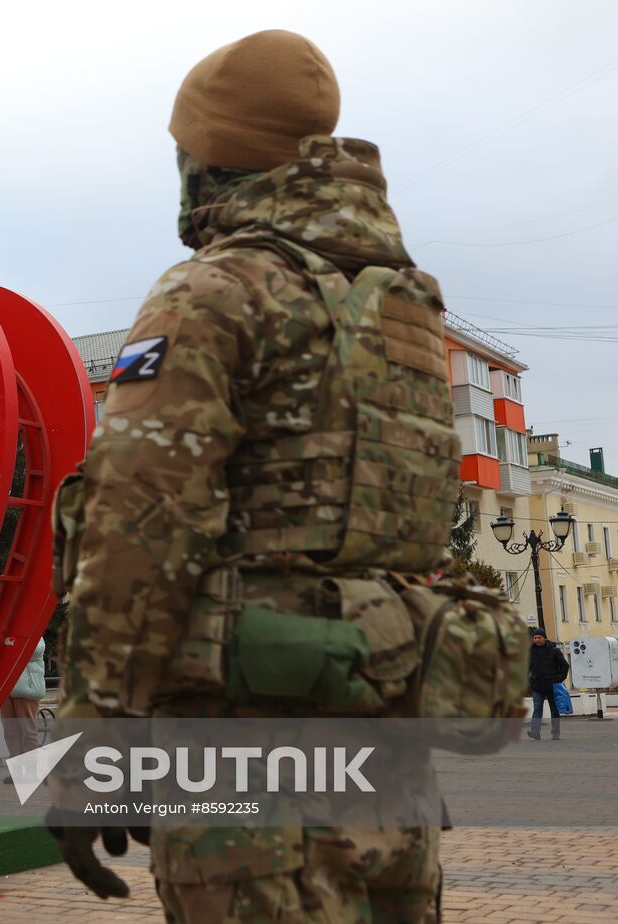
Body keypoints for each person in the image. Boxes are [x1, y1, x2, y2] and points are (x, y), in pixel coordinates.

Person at [52, 29, 471, 920]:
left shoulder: (216, 290)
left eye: (185, 151)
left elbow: (138, 523)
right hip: (389, 749)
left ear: (212, 162)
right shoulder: (406, 305)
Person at [0, 638, 45, 782]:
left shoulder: (33, 627)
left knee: (28, 732)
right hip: (6, 685)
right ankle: (16, 771)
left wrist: (11, 644)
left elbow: (36, 650)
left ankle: (31, 772)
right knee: (10, 732)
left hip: (27, 686)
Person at [529, 628, 569, 740]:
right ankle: (535, 731)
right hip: (537, 685)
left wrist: (559, 679)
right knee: (537, 708)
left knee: (554, 710)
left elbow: (564, 666)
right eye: (535, 638)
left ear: (544, 638)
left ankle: (555, 733)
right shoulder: (531, 652)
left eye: (539, 637)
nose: (537, 640)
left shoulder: (554, 651)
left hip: (552, 685)